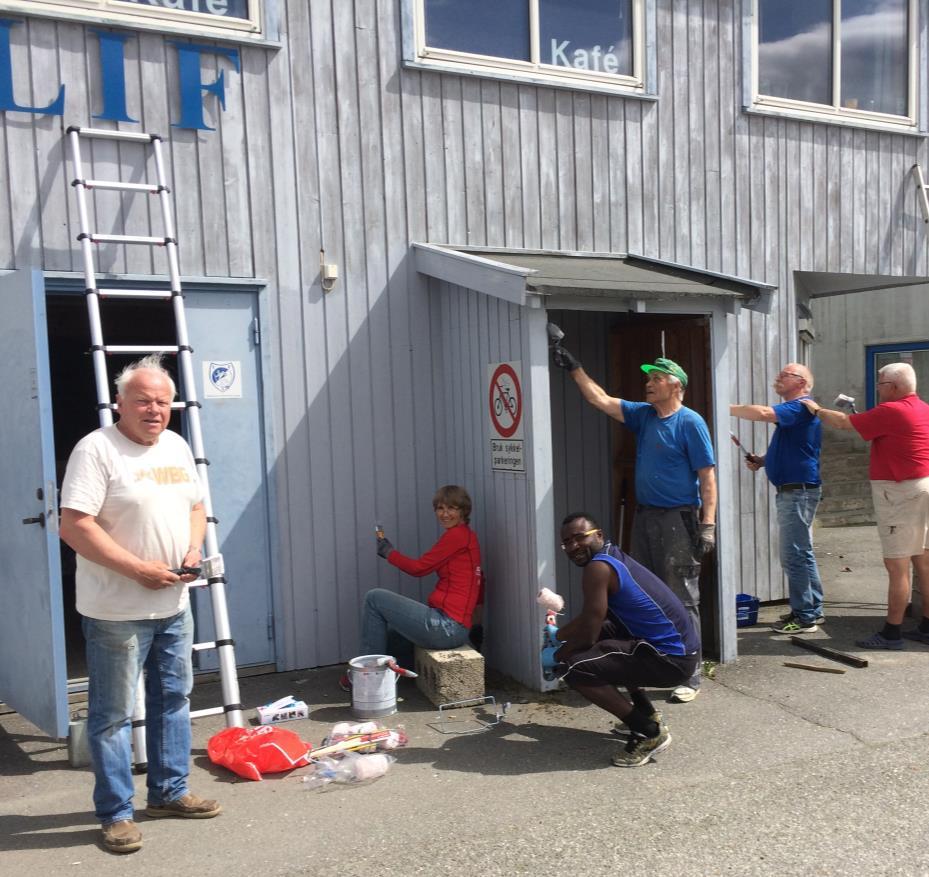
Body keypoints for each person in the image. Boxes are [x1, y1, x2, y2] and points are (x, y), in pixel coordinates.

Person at [59, 355, 221, 855]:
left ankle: (169, 792)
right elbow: (73, 526)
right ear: (120, 404)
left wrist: (192, 550)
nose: (154, 410)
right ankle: (116, 813)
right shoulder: (96, 450)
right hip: (116, 611)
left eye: (162, 401)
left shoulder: (174, 445)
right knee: (111, 715)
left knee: (173, 699)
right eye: (143, 401)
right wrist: (140, 571)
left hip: (174, 602)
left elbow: (195, 505)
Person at [551, 345, 716, 702]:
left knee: (682, 595)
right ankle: (642, 661)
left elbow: (707, 476)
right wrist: (575, 365)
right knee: (640, 593)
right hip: (646, 516)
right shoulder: (644, 415)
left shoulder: (690, 422)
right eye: (648, 378)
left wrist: (708, 524)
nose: (649, 384)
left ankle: (691, 673)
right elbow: (600, 399)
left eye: (657, 378)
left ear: (676, 386)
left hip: (679, 518)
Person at [554, 513, 700, 767]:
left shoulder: (597, 568)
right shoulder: (611, 556)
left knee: (574, 666)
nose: (573, 546)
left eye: (580, 537)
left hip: (672, 659)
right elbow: (594, 618)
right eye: (567, 542)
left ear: (598, 535)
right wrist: (559, 636)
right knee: (609, 634)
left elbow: (588, 632)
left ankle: (648, 733)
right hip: (678, 652)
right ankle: (646, 712)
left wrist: (559, 653)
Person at [802, 362, 929, 650]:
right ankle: (926, 627)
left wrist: (816, 409)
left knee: (897, 566)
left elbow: (844, 424)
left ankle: (892, 633)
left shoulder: (892, 410)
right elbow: (877, 430)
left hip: (900, 493)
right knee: (924, 562)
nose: (878, 387)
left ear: (894, 387)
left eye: (881, 383)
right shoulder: (922, 408)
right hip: (923, 486)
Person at [349, 485, 483, 680]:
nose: (445, 514)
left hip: (446, 627)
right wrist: (475, 623)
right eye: (440, 508)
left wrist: (389, 553)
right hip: (454, 627)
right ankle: (383, 677)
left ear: (463, 511)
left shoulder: (457, 536)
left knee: (374, 598)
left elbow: (419, 568)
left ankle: (365, 677)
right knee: (392, 639)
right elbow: (480, 581)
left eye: (451, 508)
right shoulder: (467, 537)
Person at [731, 363, 825, 634]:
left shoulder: (801, 405)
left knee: (793, 556)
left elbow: (762, 412)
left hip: (797, 492)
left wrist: (722, 406)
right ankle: (812, 610)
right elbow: (792, 448)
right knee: (802, 553)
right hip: (798, 490)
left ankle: (805, 617)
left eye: (785, 374)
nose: (778, 378)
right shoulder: (796, 414)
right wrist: (763, 460)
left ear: (802, 382)